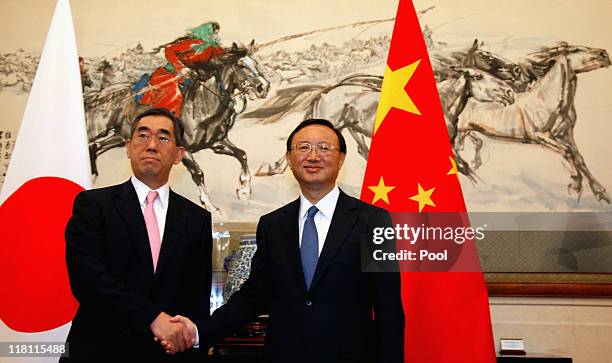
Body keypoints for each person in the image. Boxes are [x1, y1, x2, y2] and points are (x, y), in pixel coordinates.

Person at [165, 119, 404, 362]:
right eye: (303, 148)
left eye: (324, 147)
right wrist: (197, 331)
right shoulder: (273, 225)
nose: (313, 156)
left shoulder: (374, 220)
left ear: (341, 159)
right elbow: (253, 296)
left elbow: (389, 307)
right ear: (289, 159)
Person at [62, 107, 212, 362]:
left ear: (178, 155)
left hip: (169, 354)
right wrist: (152, 317)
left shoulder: (197, 218)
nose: (151, 145)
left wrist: (191, 339)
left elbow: (197, 298)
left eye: (163, 137)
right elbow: (88, 279)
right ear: (128, 147)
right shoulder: (93, 205)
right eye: (143, 136)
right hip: (100, 349)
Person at [139, 22, 226, 117]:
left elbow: (225, 56)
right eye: (213, 32)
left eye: (216, 33)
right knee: (175, 92)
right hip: (173, 73)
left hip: (195, 75)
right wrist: (181, 68)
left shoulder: (213, 47)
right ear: (206, 32)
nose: (215, 35)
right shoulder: (193, 43)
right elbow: (169, 50)